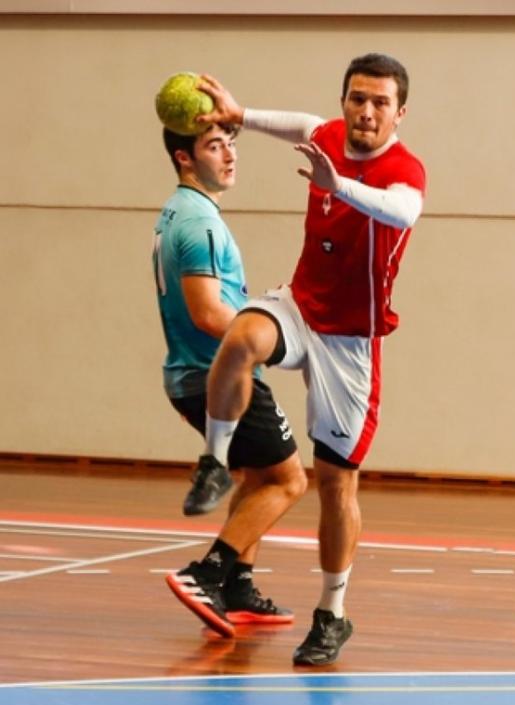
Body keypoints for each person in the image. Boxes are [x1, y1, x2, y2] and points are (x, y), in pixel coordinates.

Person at [180, 53, 426, 666]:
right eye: (356, 98)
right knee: (240, 339)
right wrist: (243, 115)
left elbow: (401, 211)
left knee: (336, 485)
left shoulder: (405, 170)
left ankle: (331, 613)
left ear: (400, 112)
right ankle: (213, 462)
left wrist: (336, 187)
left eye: (378, 102)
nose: (364, 111)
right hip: (302, 305)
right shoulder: (329, 135)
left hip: (351, 341)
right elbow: (304, 125)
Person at [154, 123, 308, 638]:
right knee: (289, 480)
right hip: (214, 373)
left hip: (196, 374)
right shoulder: (199, 224)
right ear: (184, 158)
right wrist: (267, 331)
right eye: (214, 146)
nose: (229, 154)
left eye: (230, 143)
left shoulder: (182, 212)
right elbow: (205, 313)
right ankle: (208, 573)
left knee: (258, 476)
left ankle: (238, 587)